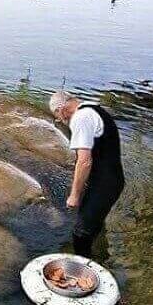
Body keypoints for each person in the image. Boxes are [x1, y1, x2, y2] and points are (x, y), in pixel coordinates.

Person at [49, 90, 125, 258]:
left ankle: (83, 272)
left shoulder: (80, 118)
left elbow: (84, 161)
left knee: (80, 233)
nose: (61, 121)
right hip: (112, 180)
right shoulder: (93, 108)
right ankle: (101, 255)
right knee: (94, 223)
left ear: (62, 110)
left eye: (59, 117)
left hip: (105, 184)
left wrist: (74, 195)